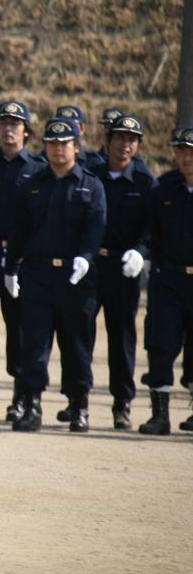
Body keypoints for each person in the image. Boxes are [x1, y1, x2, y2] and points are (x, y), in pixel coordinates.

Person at [5, 117, 107, 433]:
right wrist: (11, 267)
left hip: (77, 278)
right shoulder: (33, 184)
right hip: (37, 274)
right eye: (52, 143)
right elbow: (19, 231)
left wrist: (86, 258)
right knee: (34, 343)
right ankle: (32, 405)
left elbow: (96, 228)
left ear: (76, 146)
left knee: (76, 344)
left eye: (64, 144)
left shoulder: (91, 185)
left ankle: (79, 404)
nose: (58, 149)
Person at [0, 101, 45, 422]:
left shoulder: (39, 169)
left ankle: (20, 395)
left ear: (26, 131)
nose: (8, 128)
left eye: (15, 123)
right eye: (3, 123)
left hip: (22, 259)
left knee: (21, 329)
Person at [87, 115, 155, 429]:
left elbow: (152, 228)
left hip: (124, 267)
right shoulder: (91, 175)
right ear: (107, 140)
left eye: (131, 139)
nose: (124, 145)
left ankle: (122, 402)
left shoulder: (144, 182)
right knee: (80, 333)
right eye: (119, 138)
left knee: (122, 336)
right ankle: (79, 399)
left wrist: (140, 252)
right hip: (90, 265)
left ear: (138, 145)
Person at [138, 126, 193, 435]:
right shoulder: (163, 190)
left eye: (191, 151)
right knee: (161, 344)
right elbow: (149, 233)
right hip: (168, 278)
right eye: (181, 150)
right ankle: (160, 415)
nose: (187, 157)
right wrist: (140, 253)